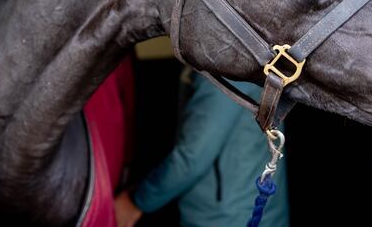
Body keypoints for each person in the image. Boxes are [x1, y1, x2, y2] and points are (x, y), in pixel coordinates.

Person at [115, 67, 290, 227]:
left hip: (226, 218)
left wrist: (137, 200)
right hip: (254, 211)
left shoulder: (226, 72)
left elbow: (193, 156)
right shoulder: (251, 64)